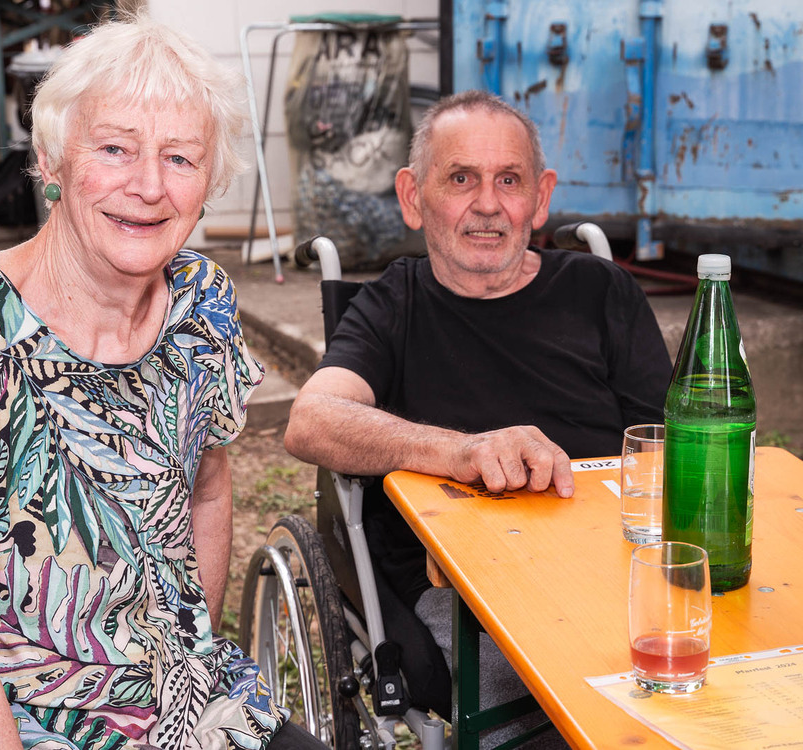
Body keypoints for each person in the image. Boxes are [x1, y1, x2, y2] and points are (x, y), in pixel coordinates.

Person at [0, 15, 326, 750]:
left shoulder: (201, 303)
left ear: (210, 180)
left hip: (177, 702)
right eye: (114, 149)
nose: (149, 187)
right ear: (50, 160)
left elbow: (206, 488)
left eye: (180, 158)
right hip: (20, 718)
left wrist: (188, 683)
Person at [284, 90, 672, 741]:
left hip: (611, 569)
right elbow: (311, 420)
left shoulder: (603, 291)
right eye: (461, 178)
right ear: (413, 197)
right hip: (468, 592)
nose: (488, 204)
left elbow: (666, 444)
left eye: (509, 180)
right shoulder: (392, 306)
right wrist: (460, 452)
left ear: (541, 198)